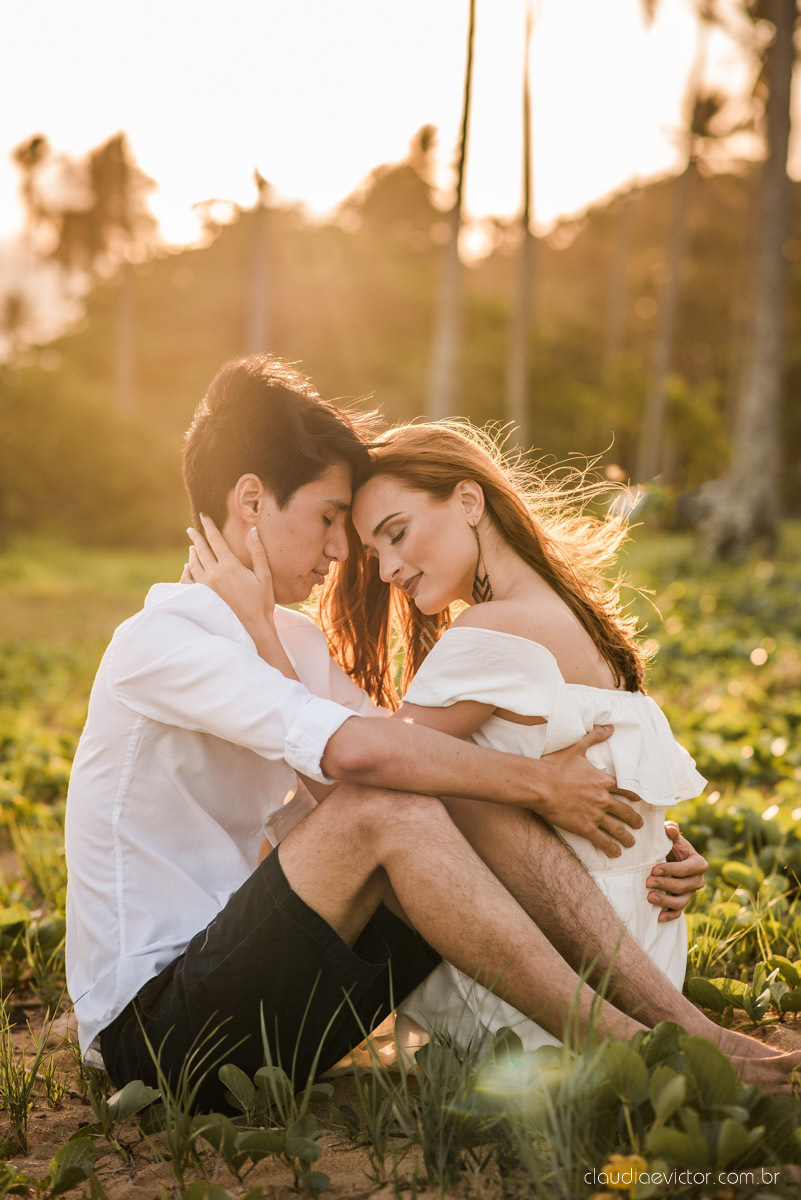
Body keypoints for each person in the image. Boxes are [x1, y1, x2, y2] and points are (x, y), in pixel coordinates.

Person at [65, 357, 796, 1117]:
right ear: (251, 499)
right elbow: (355, 759)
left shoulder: (295, 642)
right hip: (153, 1041)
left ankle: (687, 1031)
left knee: (434, 783)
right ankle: (628, 1052)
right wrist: (541, 784)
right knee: (392, 806)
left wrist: (646, 836)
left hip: (273, 1001)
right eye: (326, 518)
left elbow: (407, 752)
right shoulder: (160, 640)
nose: (346, 554)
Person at [311, 419, 707, 1055]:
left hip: (551, 987)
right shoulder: (577, 616)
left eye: (397, 534)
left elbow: (368, 771)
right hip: (650, 955)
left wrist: (263, 648)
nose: (387, 569)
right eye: (374, 552)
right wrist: (664, 849)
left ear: (469, 501)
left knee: (337, 817)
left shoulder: (490, 632)